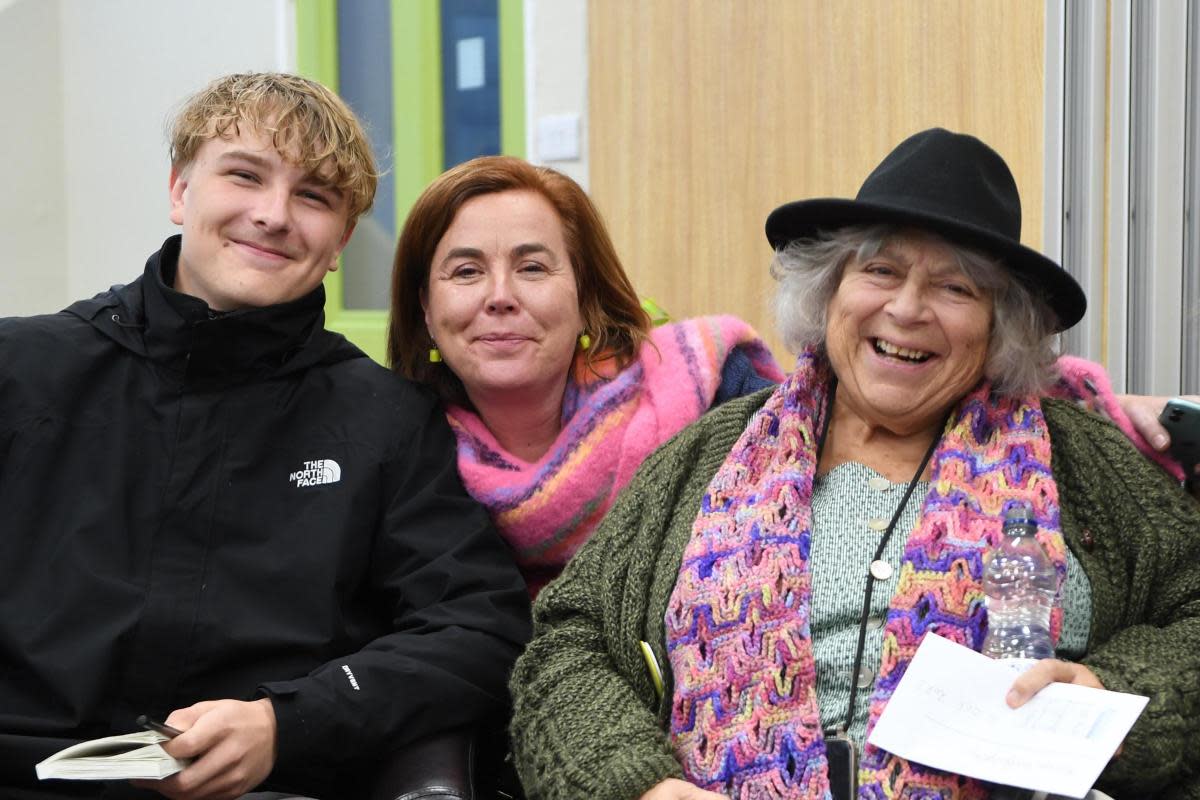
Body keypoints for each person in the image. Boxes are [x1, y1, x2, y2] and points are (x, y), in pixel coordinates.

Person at [508, 128, 1200, 800]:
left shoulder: (1077, 458)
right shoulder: (709, 454)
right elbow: (569, 647)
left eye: (955, 288)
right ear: (830, 290)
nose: (905, 309)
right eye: (880, 271)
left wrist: (1113, 691)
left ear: (1000, 325)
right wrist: (645, 787)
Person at [0, 72, 530, 800]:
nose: (274, 215)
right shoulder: (22, 371)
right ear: (181, 191)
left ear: (342, 239)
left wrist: (290, 721)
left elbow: (481, 628)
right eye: (244, 176)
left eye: (313, 196)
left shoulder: (387, 420)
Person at [388, 156, 786, 596]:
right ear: (425, 308)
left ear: (585, 297)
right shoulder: (401, 465)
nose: (500, 297)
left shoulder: (716, 388)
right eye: (467, 272)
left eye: (532, 268)